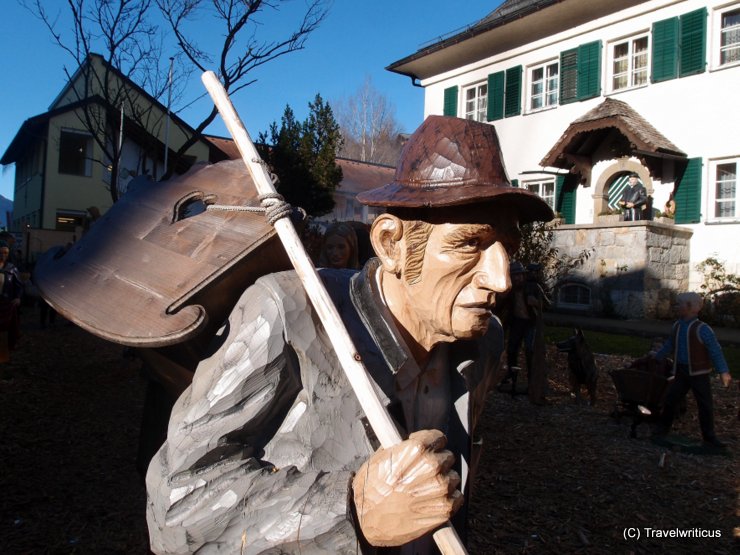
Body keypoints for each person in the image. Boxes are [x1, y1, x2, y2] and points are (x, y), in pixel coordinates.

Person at [145, 115, 553, 553]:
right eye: (469, 245)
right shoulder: (288, 312)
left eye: (507, 250)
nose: (501, 280)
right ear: (392, 244)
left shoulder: (482, 343)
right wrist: (350, 511)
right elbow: (177, 503)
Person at [651, 292, 732, 448]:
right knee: (670, 400)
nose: (676, 307)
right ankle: (661, 430)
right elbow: (670, 344)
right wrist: (657, 356)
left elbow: (715, 350)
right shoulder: (677, 326)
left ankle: (709, 438)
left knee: (705, 405)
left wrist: (723, 371)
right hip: (681, 371)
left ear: (691, 307)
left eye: (679, 304)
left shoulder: (703, 329)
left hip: (699, 373)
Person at [0, 241, 23, 370]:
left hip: (6, 305)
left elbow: (19, 286)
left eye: (6, 253)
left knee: (4, 330)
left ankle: (3, 355)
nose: (3, 255)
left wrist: (18, 298)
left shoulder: (11, 268)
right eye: (1, 252)